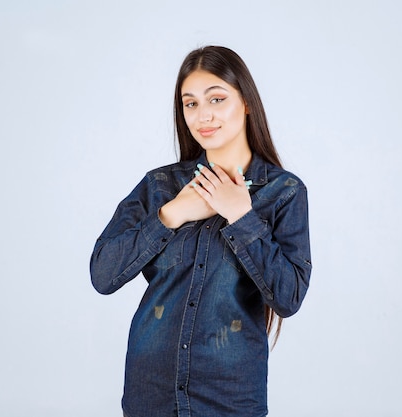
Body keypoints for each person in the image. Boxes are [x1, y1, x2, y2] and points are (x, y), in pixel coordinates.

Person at [90, 45, 312, 417]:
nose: (202, 115)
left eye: (216, 98)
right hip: (151, 391)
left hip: (230, 396)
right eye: (190, 103)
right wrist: (172, 213)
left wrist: (241, 217)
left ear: (246, 103)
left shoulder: (283, 193)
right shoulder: (160, 186)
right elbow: (102, 273)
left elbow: (288, 297)